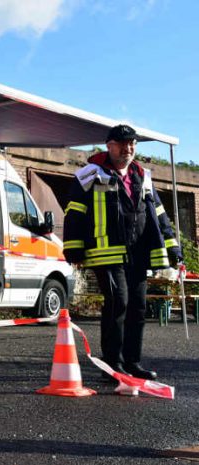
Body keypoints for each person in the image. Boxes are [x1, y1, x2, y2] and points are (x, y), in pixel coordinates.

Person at [63, 124, 181, 381]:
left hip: (138, 253)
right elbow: (74, 211)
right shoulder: (89, 174)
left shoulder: (143, 175)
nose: (128, 149)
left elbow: (158, 214)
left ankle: (132, 362)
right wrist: (73, 247)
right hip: (105, 252)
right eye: (122, 143)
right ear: (109, 145)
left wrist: (173, 247)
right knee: (119, 302)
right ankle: (112, 364)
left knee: (138, 307)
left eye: (132, 144)